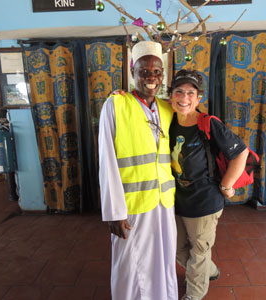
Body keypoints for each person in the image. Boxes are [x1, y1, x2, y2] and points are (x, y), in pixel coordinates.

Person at [98, 41, 178, 300]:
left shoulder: (167, 108)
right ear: (133, 73)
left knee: (163, 259)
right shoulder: (115, 105)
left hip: (163, 203)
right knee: (131, 265)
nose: (151, 78)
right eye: (144, 71)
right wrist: (113, 212)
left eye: (157, 72)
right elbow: (106, 161)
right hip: (131, 206)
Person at [168, 69, 249, 300]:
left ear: (199, 98)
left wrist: (226, 186)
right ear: (171, 95)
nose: (184, 98)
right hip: (175, 199)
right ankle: (208, 271)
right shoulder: (167, 118)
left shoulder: (208, 123)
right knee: (177, 249)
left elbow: (240, 153)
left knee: (200, 251)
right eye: (179, 92)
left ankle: (194, 294)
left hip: (204, 200)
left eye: (190, 93)